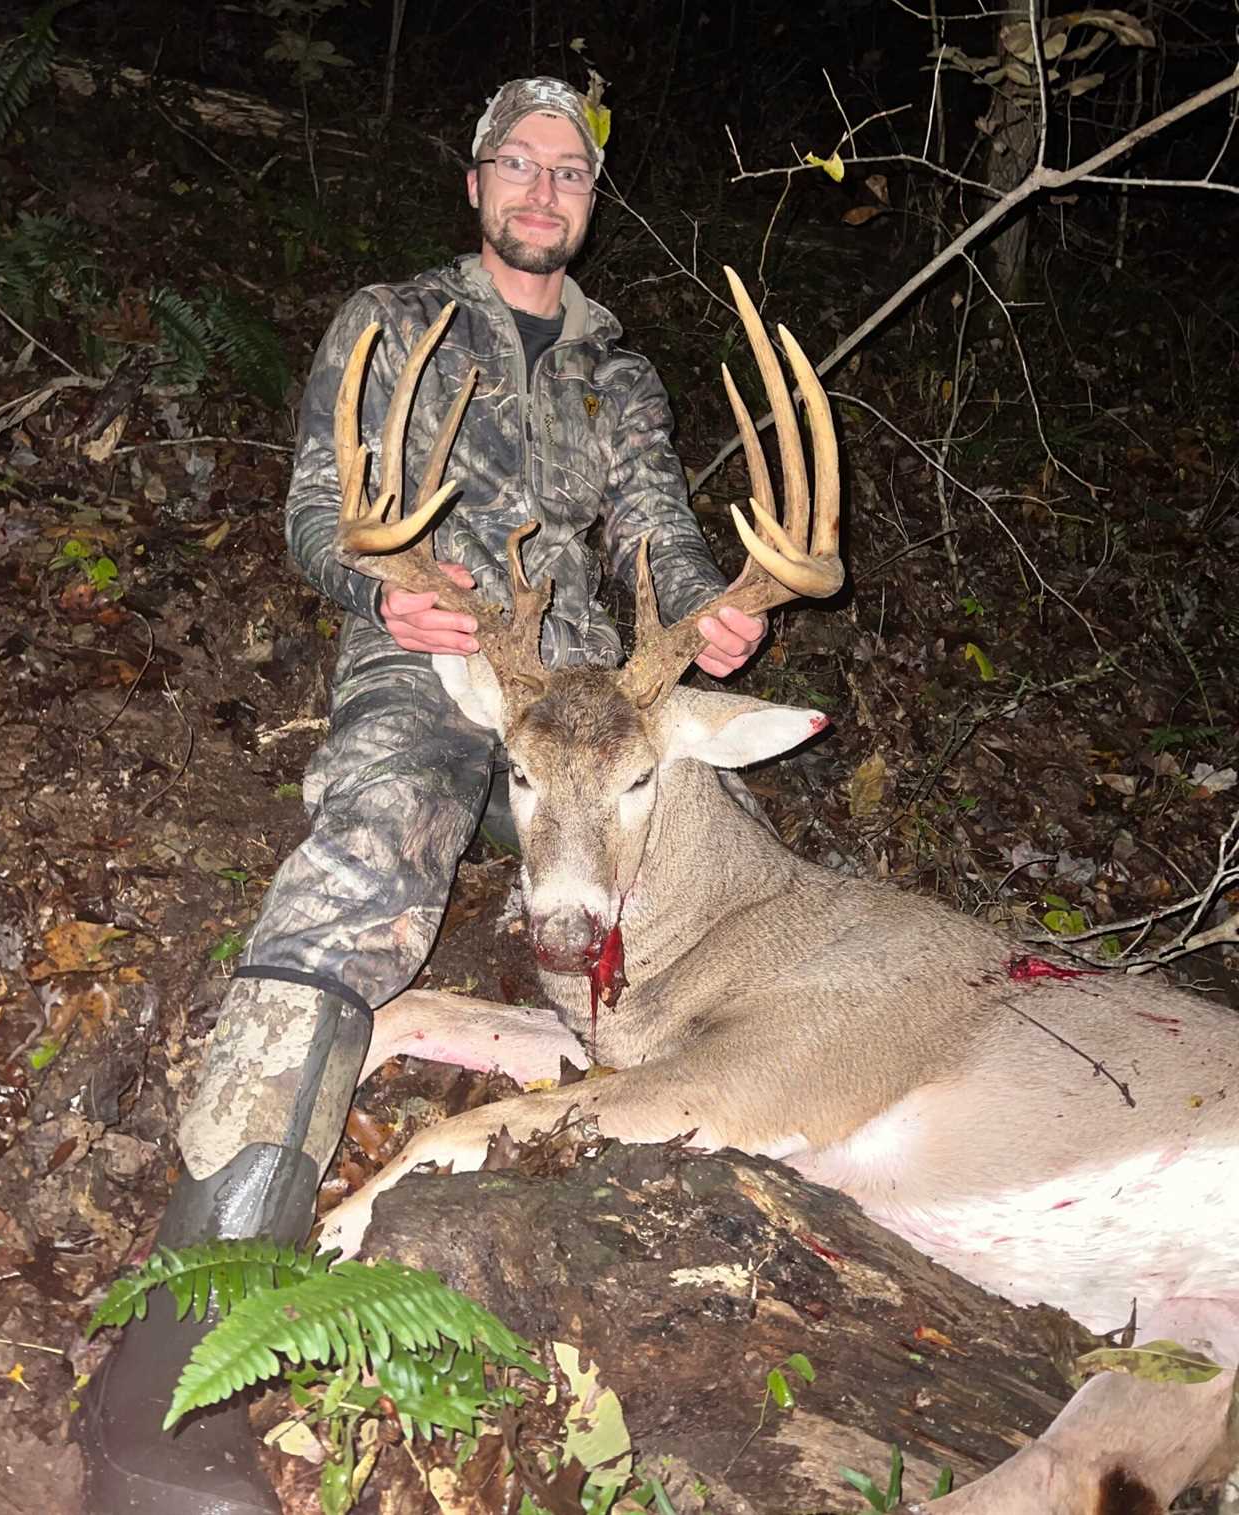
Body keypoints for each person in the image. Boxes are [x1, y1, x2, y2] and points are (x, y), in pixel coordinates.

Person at [79, 76, 766, 1514]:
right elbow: (319, 516)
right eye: (515, 164)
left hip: (587, 689)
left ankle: (690, 1099)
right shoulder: (391, 322)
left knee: (710, 868)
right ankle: (175, 1354)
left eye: (567, 172)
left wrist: (714, 617)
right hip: (436, 654)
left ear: (588, 201)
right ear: (475, 184)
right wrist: (389, 601)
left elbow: (656, 536)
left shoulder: (617, 374)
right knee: (371, 858)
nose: (540, 189)